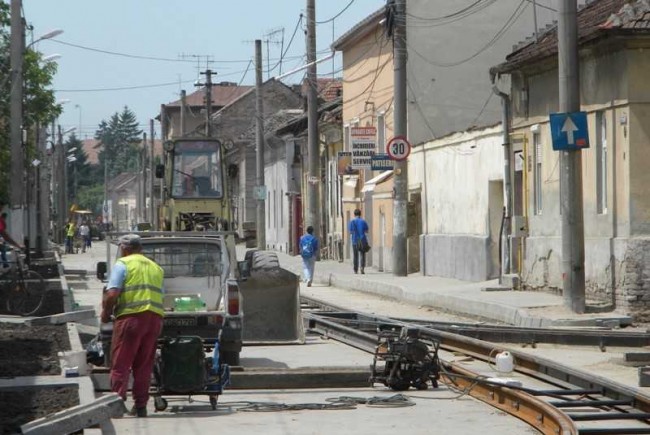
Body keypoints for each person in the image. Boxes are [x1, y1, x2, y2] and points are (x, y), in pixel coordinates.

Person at [101, 234, 165, 417]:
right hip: (154, 320)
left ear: (124, 248)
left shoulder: (123, 264)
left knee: (121, 363)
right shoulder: (156, 268)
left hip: (130, 319)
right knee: (144, 365)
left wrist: (106, 313)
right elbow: (161, 294)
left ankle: (117, 405)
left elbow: (112, 294)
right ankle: (141, 406)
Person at [348, 208, 369, 274]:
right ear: (360, 214)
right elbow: (367, 231)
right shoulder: (363, 221)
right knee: (362, 254)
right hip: (362, 240)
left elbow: (350, 232)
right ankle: (362, 268)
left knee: (355, 255)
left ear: (354, 214)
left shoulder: (352, 222)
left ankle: (355, 269)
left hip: (355, 240)